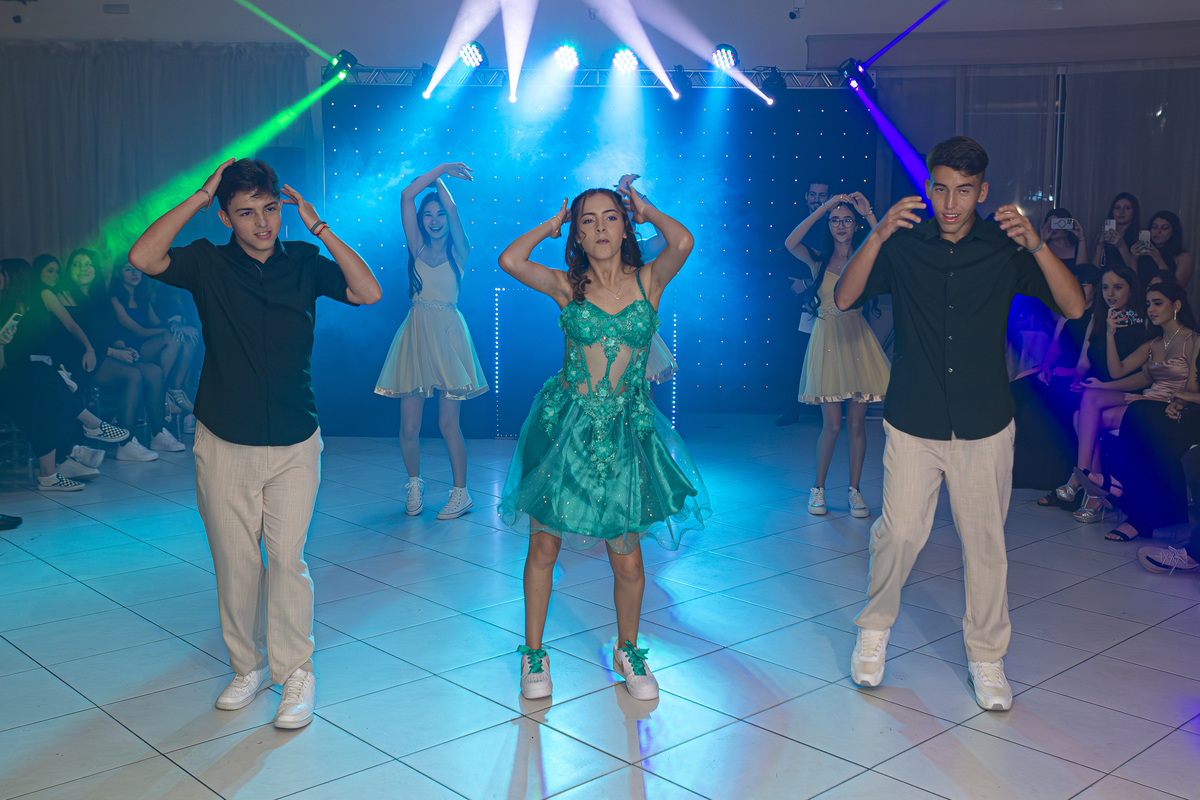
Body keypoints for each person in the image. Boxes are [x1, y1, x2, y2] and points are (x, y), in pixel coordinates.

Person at [128, 157, 382, 730]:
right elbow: (143, 257)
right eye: (246, 213)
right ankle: (248, 666)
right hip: (225, 436)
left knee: (287, 560)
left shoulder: (304, 261)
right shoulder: (207, 263)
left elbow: (368, 292)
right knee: (236, 563)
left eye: (269, 208)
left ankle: (296, 672)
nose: (263, 222)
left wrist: (319, 228)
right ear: (226, 218)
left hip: (295, 436)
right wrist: (199, 196)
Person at [834, 136, 1086, 712]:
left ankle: (987, 658)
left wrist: (1038, 245)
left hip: (984, 420)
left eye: (964, 191)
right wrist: (877, 234)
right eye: (941, 189)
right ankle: (874, 630)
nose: (950, 204)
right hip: (914, 417)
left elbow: (1074, 307)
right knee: (899, 533)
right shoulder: (903, 243)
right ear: (929, 186)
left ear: (983, 192)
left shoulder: (1004, 247)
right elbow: (845, 298)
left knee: (985, 544)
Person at [497, 186, 710, 702]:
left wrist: (648, 209)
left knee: (628, 557)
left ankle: (628, 649)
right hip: (564, 426)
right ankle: (533, 653)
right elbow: (510, 260)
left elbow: (683, 242)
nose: (599, 228)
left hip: (626, 431)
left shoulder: (648, 281)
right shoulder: (566, 285)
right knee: (543, 545)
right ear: (576, 233)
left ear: (625, 226)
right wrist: (549, 226)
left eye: (610, 218)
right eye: (587, 220)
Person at [375, 162, 488, 519]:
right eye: (428, 214)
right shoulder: (417, 249)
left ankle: (461, 493)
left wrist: (441, 181)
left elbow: (452, 209)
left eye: (439, 214)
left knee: (447, 423)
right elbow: (406, 196)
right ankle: (414, 483)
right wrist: (439, 170)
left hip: (449, 336)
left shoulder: (460, 251)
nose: (435, 220)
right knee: (409, 425)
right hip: (416, 335)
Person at [785, 192, 888, 518]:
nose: (841, 225)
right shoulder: (818, 259)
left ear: (855, 225)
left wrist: (869, 213)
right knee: (831, 425)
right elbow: (790, 242)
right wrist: (823, 209)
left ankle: (855, 491)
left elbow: (888, 248)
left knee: (857, 424)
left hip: (856, 338)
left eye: (846, 220)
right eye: (835, 220)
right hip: (827, 338)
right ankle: (818, 488)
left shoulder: (864, 256)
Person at [1069, 282, 1195, 538]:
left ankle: (1093, 482)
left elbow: (1191, 389)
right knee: (1084, 407)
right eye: (1148, 304)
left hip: (1168, 408)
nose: (1151, 309)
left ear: (1176, 305)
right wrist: (1110, 334)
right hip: (1146, 401)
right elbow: (1119, 371)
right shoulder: (1154, 343)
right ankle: (1087, 475)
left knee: (1090, 417)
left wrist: (1163, 399)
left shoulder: (1193, 340)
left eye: (1157, 303)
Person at [0, 259, 120, 492]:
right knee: (41, 381)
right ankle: (77, 441)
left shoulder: (13, 306)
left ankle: (53, 469)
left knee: (42, 392)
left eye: (1, 274)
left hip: (20, 380)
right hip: (13, 380)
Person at [57, 250, 184, 460]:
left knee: (153, 372)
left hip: (105, 354)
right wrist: (113, 352)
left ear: (95, 269)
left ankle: (158, 433)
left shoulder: (99, 296)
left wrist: (122, 348)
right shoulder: (64, 296)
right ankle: (126, 443)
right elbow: (70, 338)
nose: (83, 269)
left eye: (88, 264)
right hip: (81, 360)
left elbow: (110, 332)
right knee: (133, 375)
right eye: (76, 265)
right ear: (68, 270)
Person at [1054, 264, 1148, 517]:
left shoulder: (1143, 321)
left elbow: (1143, 376)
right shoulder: (1098, 318)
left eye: (1118, 287)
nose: (1110, 293)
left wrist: (1100, 385)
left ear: (1131, 289)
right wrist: (1077, 379)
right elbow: (1083, 364)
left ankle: (1081, 475)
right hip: (1097, 392)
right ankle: (1094, 491)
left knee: (1088, 404)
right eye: (1106, 287)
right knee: (1079, 413)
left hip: (1130, 394)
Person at [1011, 264, 1099, 497]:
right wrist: (1046, 367)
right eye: (1076, 283)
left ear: (1095, 287)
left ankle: (1041, 473)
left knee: (1036, 408)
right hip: (1056, 370)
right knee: (1014, 390)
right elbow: (1053, 349)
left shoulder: (1096, 318)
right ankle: (1007, 458)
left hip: (1076, 375)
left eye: (1084, 283)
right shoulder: (1068, 313)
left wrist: (1066, 372)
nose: (1080, 287)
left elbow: (1086, 362)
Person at [776, 178, 835, 426]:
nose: (816, 199)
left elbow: (838, 266)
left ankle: (827, 412)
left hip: (830, 302)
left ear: (829, 198)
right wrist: (797, 286)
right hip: (796, 304)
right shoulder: (795, 224)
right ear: (806, 196)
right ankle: (791, 410)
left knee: (828, 358)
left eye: (822, 195)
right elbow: (781, 255)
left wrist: (808, 284)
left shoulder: (837, 224)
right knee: (793, 357)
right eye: (813, 194)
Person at [111, 261, 198, 416]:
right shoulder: (115, 299)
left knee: (184, 338)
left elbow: (157, 323)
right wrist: (169, 330)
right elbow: (138, 331)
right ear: (119, 274)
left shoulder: (142, 298)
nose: (134, 273)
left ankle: (173, 389)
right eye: (128, 269)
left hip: (146, 344)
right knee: (172, 337)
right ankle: (161, 391)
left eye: (137, 270)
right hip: (129, 349)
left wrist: (177, 326)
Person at [1133, 210, 1192, 288]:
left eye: (1164, 228)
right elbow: (1131, 279)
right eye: (1154, 227)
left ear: (1174, 231)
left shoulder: (1183, 257)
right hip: (1141, 294)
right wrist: (1133, 257)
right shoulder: (1144, 252)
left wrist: (1159, 260)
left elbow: (1177, 288)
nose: (1158, 232)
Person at [1092, 192, 1140, 274]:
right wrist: (1100, 246)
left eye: (1127, 208)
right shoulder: (1100, 236)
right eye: (1117, 208)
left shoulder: (1138, 237)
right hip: (1104, 279)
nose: (1121, 212)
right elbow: (1093, 271)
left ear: (1134, 211)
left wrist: (1121, 246)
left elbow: (1134, 270)